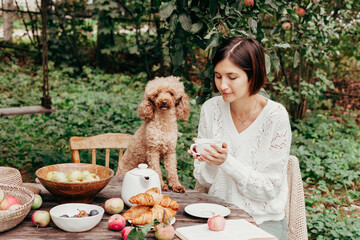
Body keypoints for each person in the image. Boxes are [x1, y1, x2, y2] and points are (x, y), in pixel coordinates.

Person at [188, 36, 291, 240]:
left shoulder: (275, 117)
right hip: (216, 215)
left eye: (232, 77)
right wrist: (209, 161)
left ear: (252, 75)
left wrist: (228, 162)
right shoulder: (211, 109)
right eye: (218, 76)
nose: (223, 85)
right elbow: (204, 179)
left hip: (263, 221)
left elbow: (269, 189)